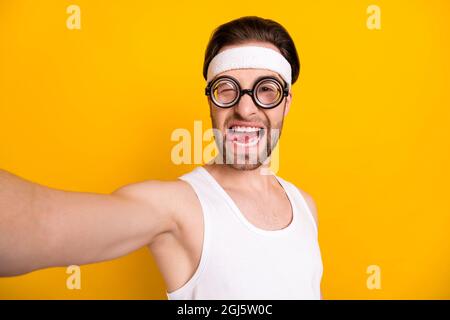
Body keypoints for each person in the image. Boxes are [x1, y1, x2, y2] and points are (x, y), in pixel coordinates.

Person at [0, 16, 323, 299]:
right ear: (211, 100)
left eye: (266, 90)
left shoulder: (305, 206)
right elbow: (42, 225)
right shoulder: (178, 207)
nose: (245, 108)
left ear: (287, 101)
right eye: (227, 88)